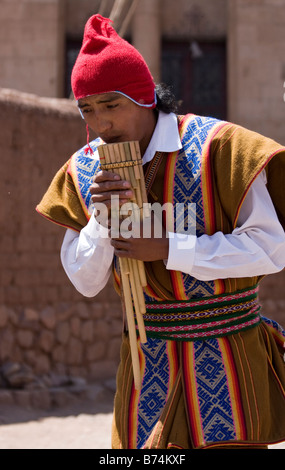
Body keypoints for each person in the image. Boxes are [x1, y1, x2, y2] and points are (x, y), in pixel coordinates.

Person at [36, 14, 285, 449]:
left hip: (228, 361)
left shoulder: (220, 149)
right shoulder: (85, 169)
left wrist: (170, 248)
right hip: (144, 365)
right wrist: (102, 220)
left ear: (146, 97)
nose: (101, 125)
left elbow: (271, 249)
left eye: (112, 105)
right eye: (88, 110)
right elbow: (86, 282)